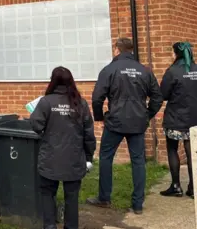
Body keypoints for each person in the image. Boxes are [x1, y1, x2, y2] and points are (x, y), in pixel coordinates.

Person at [87, 37, 163, 214]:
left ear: (117, 50)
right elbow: (157, 97)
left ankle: (104, 198)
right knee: (138, 161)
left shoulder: (109, 69)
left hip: (115, 122)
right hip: (138, 122)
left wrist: (99, 117)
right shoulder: (145, 71)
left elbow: (97, 97)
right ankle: (137, 204)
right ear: (132, 50)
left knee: (106, 157)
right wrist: (147, 115)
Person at [29, 66, 96, 229]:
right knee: (71, 197)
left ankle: (50, 226)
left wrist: (44, 131)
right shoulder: (80, 103)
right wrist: (88, 157)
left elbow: (35, 124)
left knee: (47, 194)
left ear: (53, 81)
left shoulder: (46, 102)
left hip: (50, 159)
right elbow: (89, 134)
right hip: (73, 159)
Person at [159, 42, 197, 199]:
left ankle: (176, 186)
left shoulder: (172, 72)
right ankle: (194, 188)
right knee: (192, 153)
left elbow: (164, 95)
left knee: (172, 149)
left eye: (172, 52)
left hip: (175, 119)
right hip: (196, 119)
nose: (171, 55)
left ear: (176, 54)